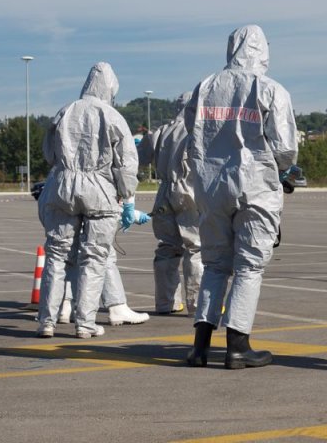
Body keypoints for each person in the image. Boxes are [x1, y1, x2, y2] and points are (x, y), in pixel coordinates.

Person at [183, 24, 298, 369]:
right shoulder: (269, 89)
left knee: (215, 264)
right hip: (255, 186)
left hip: (211, 186)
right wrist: (280, 170)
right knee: (249, 266)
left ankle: (200, 346)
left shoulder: (205, 87)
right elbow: (285, 148)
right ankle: (237, 345)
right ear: (263, 50)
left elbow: (192, 130)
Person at [36, 62, 140, 339]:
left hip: (63, 187)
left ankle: (46, 321)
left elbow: (49, 153)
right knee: (94, 258)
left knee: (56, 255)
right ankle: (85, 323)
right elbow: (126, 163)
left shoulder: (65, 111)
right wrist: (126, 195)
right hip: (100, 191)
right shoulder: (113, 116)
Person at [138, 91, 203, 316]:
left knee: (167, 246)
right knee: (195, 247)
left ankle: (166, 303)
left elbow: (139, 158)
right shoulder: (198, 129)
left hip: (164, 192)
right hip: (189, 191)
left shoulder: (161, 131)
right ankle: (198, 304)